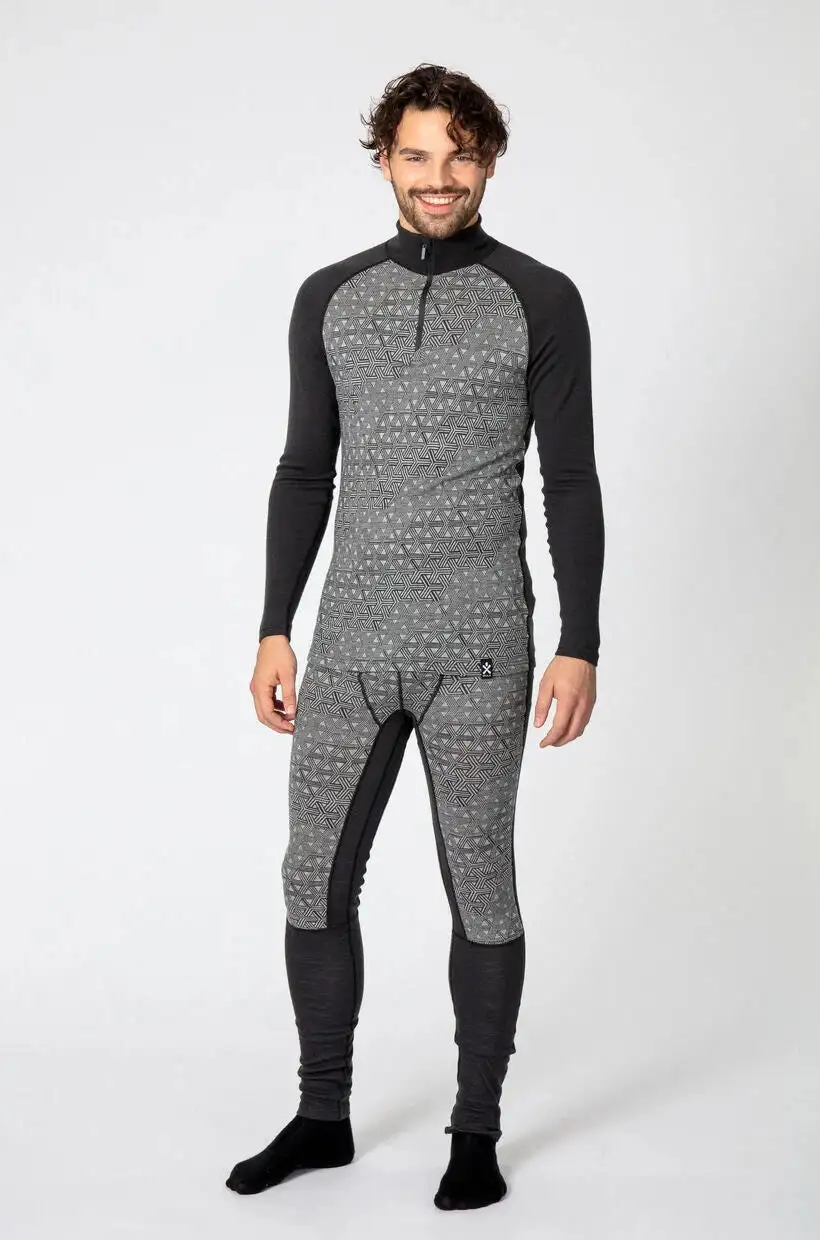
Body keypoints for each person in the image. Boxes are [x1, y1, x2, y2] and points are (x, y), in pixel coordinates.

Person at [228, 62, 605, 1211]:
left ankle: (473, 1131)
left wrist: (579, 639)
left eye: (458, 154)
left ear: (487, 160)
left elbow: (569, 479)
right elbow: (305, 469)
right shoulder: (330, 298)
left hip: (481, 645)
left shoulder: (539, 299)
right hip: (348, 640)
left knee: (480, 884)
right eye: (414, 154)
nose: (437, 177)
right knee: (309, 877)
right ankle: (322, 1114)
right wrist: (273, 624)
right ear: (384, 161)